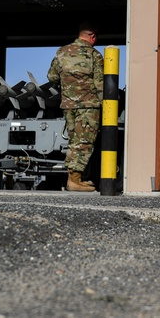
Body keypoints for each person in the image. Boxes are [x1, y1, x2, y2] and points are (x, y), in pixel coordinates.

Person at [48, 22, 104, 192]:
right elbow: (100, 83)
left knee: (74, 142)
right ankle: (74, 180)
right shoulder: (94, 55)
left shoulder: (62, 52)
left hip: (68, 105)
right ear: (92, 36)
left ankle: (75, 178)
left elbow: (51, 77)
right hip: (88, 105)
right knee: (85, 142)